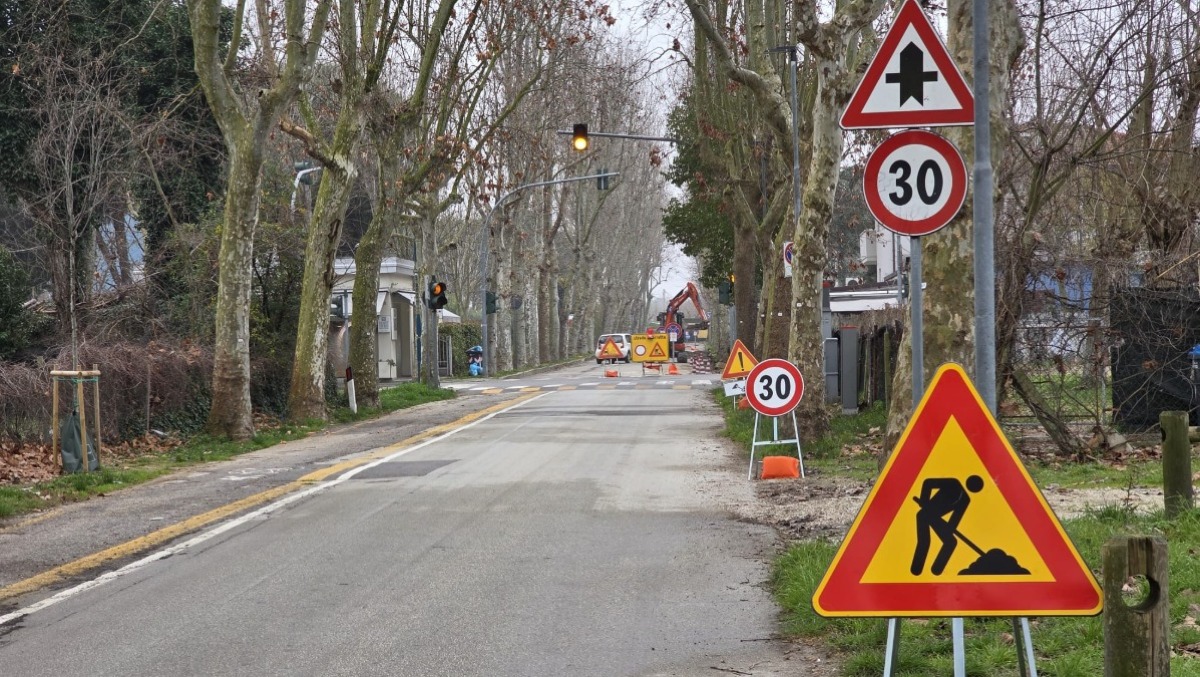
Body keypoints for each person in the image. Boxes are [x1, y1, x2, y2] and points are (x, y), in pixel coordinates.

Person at [910, 475, 984, 576]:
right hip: (924, 515)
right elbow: (928, 482)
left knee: (951, 542)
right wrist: (924, 500)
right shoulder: (953, 484)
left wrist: (949, 528)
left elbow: (955, 520)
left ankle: (936, 570)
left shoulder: (965, 500)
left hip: (935, 518)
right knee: (925, 541)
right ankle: (916, 569)